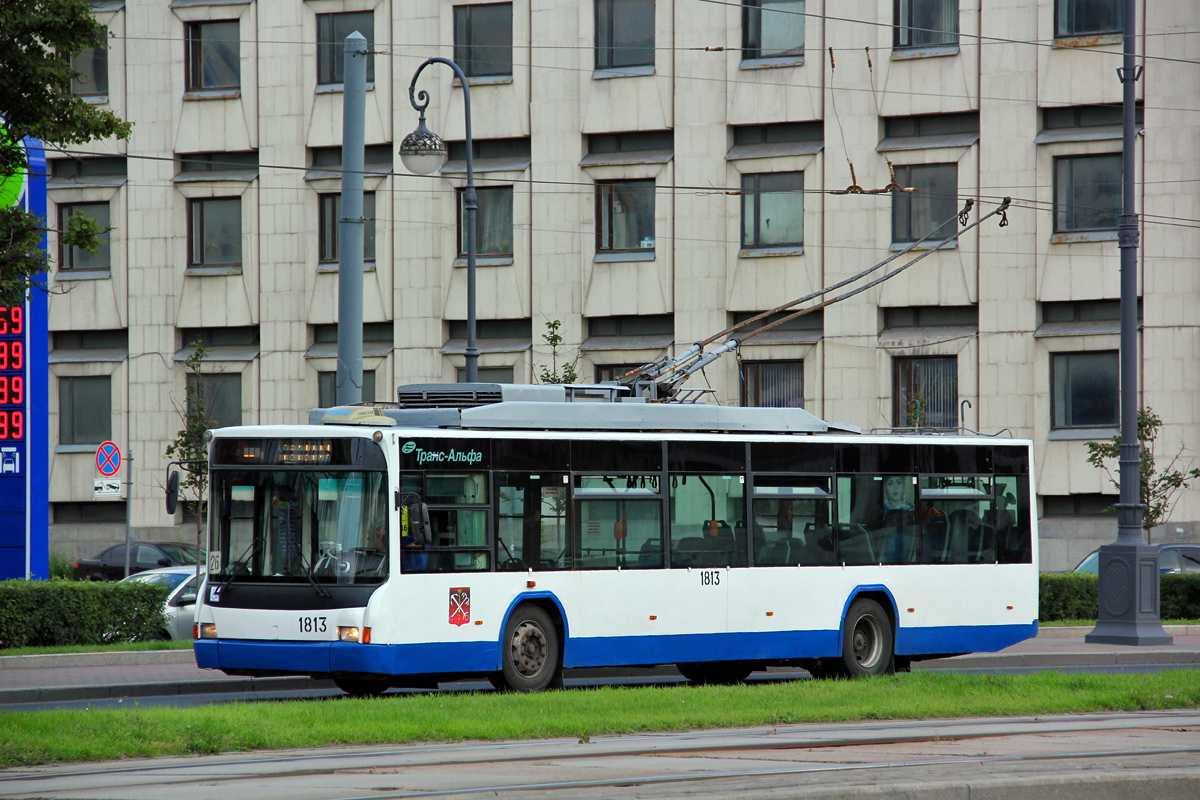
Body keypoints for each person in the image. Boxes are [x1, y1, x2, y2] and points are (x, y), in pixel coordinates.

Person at [879, 476, 917, 563]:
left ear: (904, 486)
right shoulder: (879, 510)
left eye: (899, 482)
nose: (895, 488)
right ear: (885, 487)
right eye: (890, 483)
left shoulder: (912, 510)